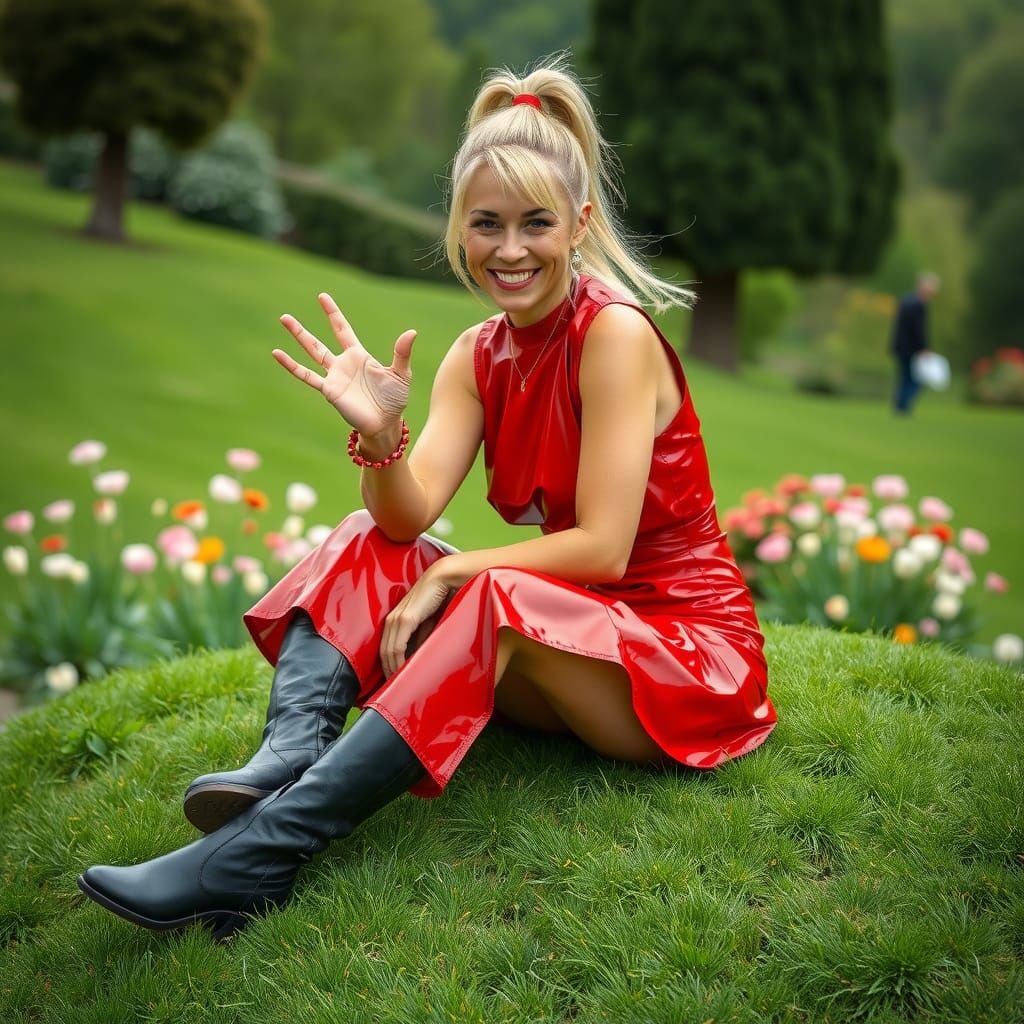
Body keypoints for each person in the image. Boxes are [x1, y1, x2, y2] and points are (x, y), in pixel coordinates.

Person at [77, 57, 777, 940]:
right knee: (368, 538)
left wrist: (454, 577)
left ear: (581, 223)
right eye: (487, 224)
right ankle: (285, 760)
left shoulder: (615, 337)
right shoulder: (477, 355)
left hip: (685, 660)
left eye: (535, 224)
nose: (510, 249)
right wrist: (378, 441)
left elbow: (603, 546)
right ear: (459, 226)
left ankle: (255, 857)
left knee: (484, 589)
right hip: (574, 636)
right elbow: (404, 519)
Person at [891, 271, 940, 415]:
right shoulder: (918, 305)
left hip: (900, 347)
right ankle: (903, 407)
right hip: (912, 349)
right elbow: (918, 330)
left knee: (905, 377)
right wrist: (924, 348)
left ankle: (900, 407)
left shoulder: (906, 300)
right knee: (914, 380)